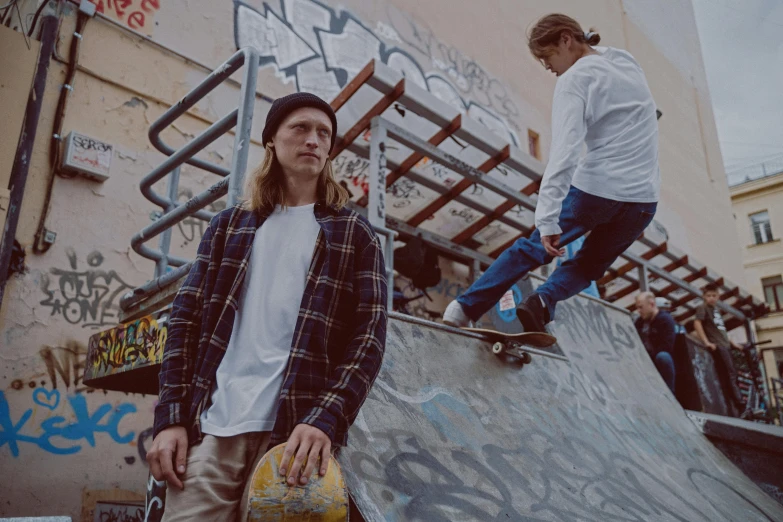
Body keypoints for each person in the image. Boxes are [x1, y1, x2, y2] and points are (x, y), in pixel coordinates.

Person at [146, 93, 388, 521]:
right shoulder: (227, 228)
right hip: (214, 428)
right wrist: (170, 419)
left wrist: (325, 418)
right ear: (272, 140)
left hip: (298, 437)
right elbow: (184, 321)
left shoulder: (354, 234)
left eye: (323, 133)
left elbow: (368, 339)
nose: (313, 139)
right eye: (300, 128)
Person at [444, 13, 659, 331]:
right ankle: (543, 301)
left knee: (532, 248)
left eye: (546, 57)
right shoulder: (624, 60)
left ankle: (463, 309)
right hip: (643, 203)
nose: (547, 67)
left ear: (565, 40)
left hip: (597, 190)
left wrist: (546, 219)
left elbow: (565, 152)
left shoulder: (574, 80)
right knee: (587, 267)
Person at [693, 283, 745, 414]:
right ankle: (740, 404)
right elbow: (697, 323)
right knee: (730, 374)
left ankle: (736, 405)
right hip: (718, 346)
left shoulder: (716, 310)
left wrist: (733, 343)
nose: (711, 298)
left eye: (714, 295)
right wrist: (706, 342)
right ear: (704, 296)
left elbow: (722, 330)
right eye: (708, 295)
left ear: (718, 296)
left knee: (731, 374)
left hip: (725, 345)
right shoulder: (703, 308)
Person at [634, 292, 676, 392]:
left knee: (663, 357)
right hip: (642, 360)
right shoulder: (639, 322)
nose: (639, 311)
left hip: (656, 359)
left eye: (641, 307)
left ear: (652, 304)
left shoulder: (665, 320)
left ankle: (669, 393)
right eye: (638, 308)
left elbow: (667, 346)